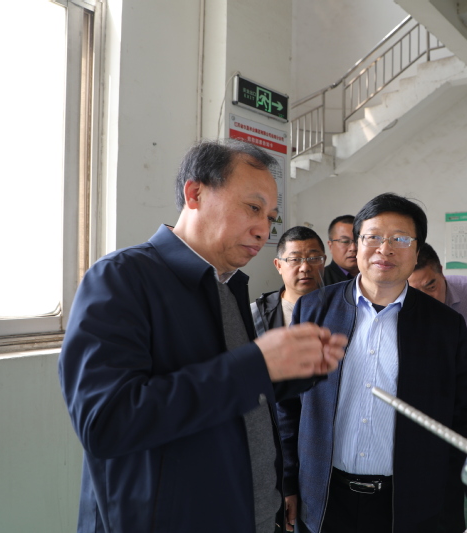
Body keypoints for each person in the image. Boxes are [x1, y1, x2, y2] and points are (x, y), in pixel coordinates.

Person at [58, 139, 347, 533]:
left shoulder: (225, 285)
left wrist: (292, 369)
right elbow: (107, 423)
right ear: (195, 193)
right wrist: (256, 365)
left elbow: (223, 393)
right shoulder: (122, 277)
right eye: (253, 208)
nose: (263, 230)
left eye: (271, 217)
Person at [277, 193, 467, 533]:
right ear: (356, 245)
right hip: (325, 498)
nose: (385, 249)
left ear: (417, 251)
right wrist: (287, 481)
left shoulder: (444, 326)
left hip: (410, 504)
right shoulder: (314, 309)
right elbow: (288, 406)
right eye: (373, 237)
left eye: (400, 239)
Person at [408, 243, 467, 376]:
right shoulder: (398, 306)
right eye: (415, 292)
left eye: (431, 287)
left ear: (441, 272)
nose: (425, 300)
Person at [251, 226, 326, 334]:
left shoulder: (343, 306)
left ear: (323, 262)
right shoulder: (256, 313)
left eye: (314, 258)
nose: (305, 267)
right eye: (295, 259)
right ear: (278, 265)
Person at [322, 214, 359, 286]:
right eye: (345, 241)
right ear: (330, 245)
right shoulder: (320, 280)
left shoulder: (375, 277)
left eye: (357, 241)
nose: (353, 248)